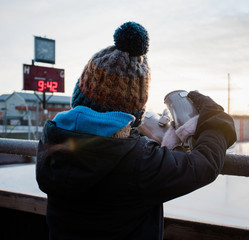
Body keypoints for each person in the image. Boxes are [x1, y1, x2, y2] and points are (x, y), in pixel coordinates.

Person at [36, 21, 236, 240]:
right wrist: (215, 118)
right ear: (135, 109)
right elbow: (204, 165)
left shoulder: (52, 139)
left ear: (80, 93)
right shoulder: (140, 162)